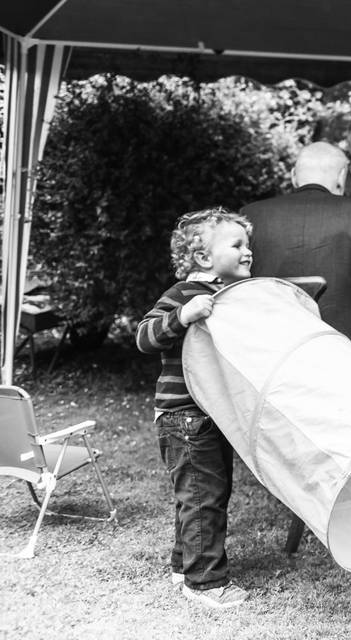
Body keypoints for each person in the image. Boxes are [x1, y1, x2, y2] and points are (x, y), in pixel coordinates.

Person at [136, 207, 254, 608]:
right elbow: (144, 337)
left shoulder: (231, 296)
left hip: (211, 414)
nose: (247, 251)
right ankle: (205, 582)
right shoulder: (184, 294)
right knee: (202, 497)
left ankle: (182, 564)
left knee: (204, 494)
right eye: (236, 245)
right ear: (204, 259)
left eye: (248, 244)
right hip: (184, 417)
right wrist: (183, 316)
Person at [241, 142, 351, 371]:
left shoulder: (250, 215)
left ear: (293, 176)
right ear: (342, 175)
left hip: (270, 353)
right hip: (347, 353)